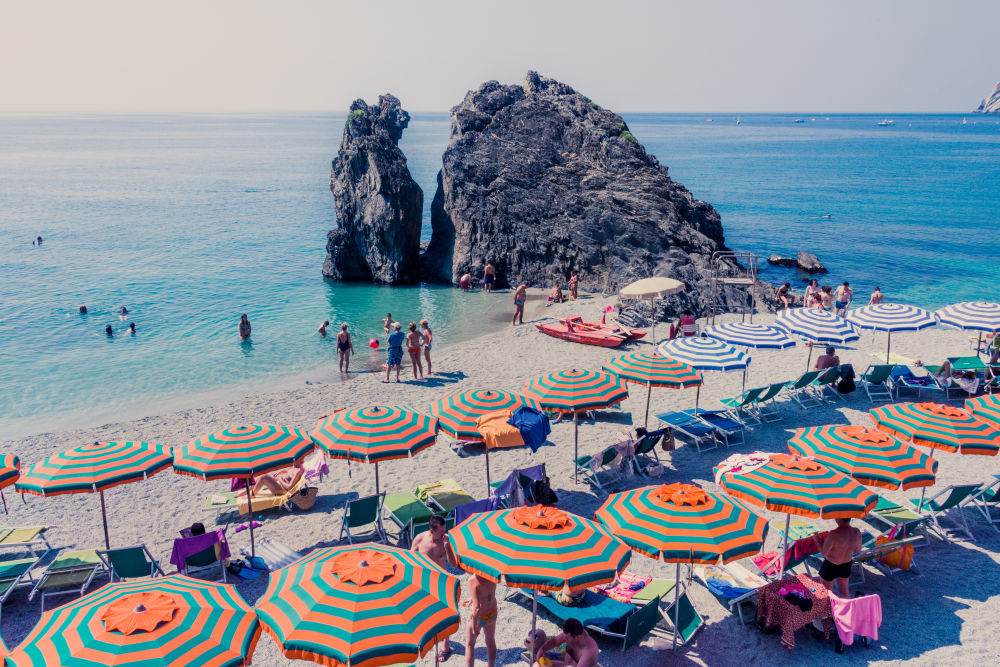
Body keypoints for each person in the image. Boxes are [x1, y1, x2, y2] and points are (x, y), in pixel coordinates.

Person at [411, 516, 458, 662]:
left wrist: (447, 547)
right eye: (441, 531)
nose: (444, 533)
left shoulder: (446, 541)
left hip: (440, 582)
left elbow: (453, 564)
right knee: (424, 612)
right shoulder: (420, 539)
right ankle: (428, 637)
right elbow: (410, 559)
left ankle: (446, 646)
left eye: (445, 530)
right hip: (423, 581)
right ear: (432, 530)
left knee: (444, 614)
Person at [819, 518, 863, 598]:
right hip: (846, 564)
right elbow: (858, 550)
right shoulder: (856, 532)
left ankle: (828, 610)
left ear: (839, 518)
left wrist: (817, 540)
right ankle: (847, 610)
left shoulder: (833, 534)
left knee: (826, 593)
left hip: (831, 564)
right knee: (844, 592)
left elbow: (823, 553)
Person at [533, 619, 599, 667]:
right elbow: (555, 641)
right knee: (536, 665)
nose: (565, 638)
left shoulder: (588, 652)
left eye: (567, 638)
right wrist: (542, 649)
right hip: (567, 664)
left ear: (578, 637)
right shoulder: (575, 633)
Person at [466, 572, 498, 667]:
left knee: (470, 645)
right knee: (490, 641)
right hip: (492, 612)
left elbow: (477, 608)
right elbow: (487, 594)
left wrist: (474, 625)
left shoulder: (473, 580)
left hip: (479, 616)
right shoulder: (493, 574)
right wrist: (473, 598)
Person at [237, 463, 304, 498]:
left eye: (294, 458)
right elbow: (288, 472)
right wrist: (281, 472)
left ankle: (252, 495)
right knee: (260, 477)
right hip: (279, 485)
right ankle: (246, 491)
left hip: (282, 490)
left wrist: (280, 479)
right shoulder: (294, 466)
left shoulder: (298, 471)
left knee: (264, 477)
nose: (293, 459)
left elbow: (289, 487)